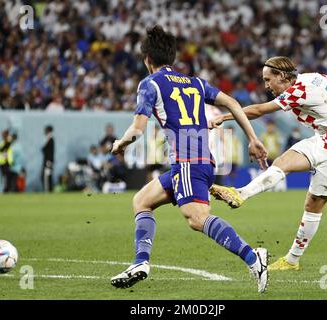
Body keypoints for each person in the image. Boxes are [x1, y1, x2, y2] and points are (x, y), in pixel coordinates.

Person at [110, 25, 269, 293]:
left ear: (147, 59)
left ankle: (254, 258)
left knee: (197, 218)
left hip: (188, 161)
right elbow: (231, 102)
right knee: (142, 200)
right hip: (198, 160)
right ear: (171, 57)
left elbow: (137, 129)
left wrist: (121, 142)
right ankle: (140, 263)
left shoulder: (150, 84)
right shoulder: (195, 83)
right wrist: (253, 138)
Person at [209, 56, 327, 271]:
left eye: (267, 79)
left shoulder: (296, 91)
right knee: (289, 169)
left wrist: (223, 117)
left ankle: (290, 258)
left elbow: (258, 111)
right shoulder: (314, 78)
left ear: (282, 76)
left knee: (313, 205)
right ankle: (243, 198)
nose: (266, 85)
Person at [41, 125, 55, 192]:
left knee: (46, 177)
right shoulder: (48, 139)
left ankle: (48, 190)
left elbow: (47, 150)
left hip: (48, 161)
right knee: (46, 176)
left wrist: (49, 161)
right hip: (48, 161)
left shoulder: (50, 139)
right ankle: (48, 190)